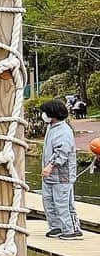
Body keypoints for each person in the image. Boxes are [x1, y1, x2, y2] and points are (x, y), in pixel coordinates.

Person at [40, 99, 82, 240]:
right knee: (48, 201)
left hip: (61, 174)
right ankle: (56, 226)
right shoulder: (51, 127)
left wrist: (51, 165)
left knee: (63, 202)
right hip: (49, 175)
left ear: (53, 114)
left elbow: (62, 152)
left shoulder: (64, 131)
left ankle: (71, 229)